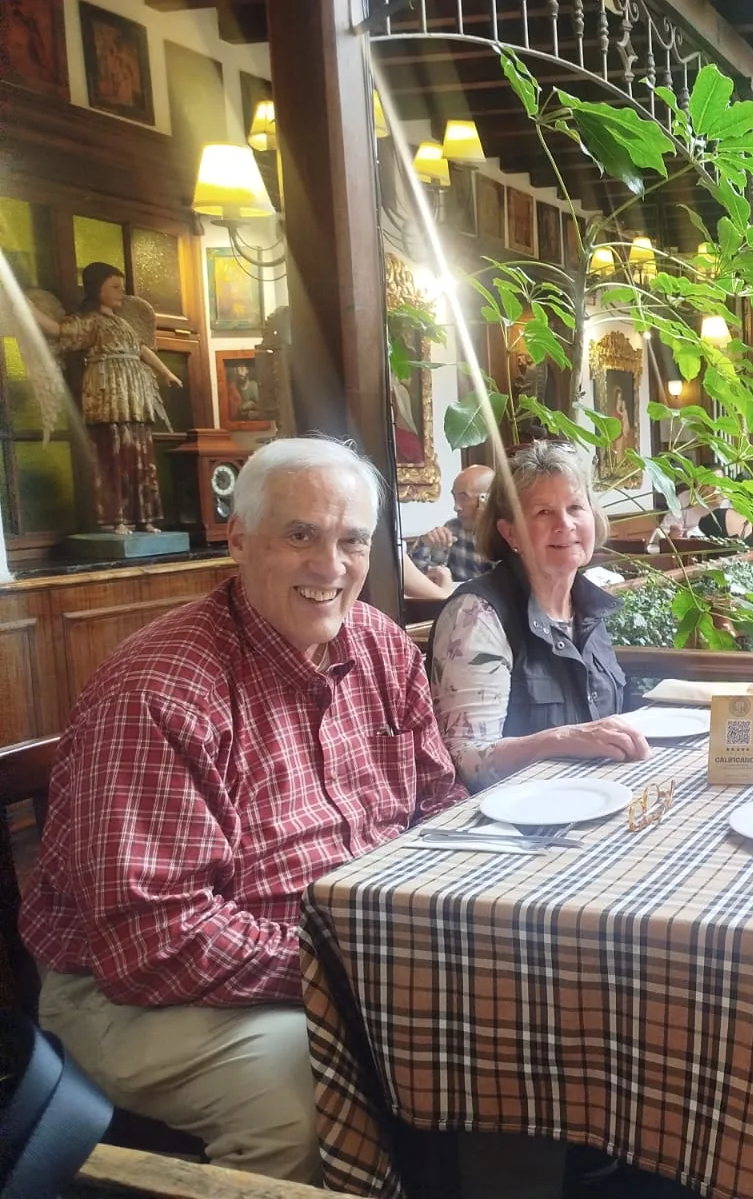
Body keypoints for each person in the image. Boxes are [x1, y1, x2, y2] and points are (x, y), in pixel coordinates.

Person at [19, 437, 467, 1184]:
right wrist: (355, 972)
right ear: (239, 539)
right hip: (137, 996)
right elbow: (153, 939)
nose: (331, 567)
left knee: (494, 1032)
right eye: (301, 536)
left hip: (336, 954)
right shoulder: (160, 690)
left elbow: (438, 806)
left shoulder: (381, 646)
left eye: (351, 539)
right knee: (306, 1104)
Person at [429, 441, 648, 791]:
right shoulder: (475, 616)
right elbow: (464, 761)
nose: (565, 524)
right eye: (543, 512)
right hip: (515, 824)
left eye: (576, 507)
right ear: (509, 531)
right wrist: (557, 740)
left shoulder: (587, 607)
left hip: (594, 798)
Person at [28, 262, 181, 534]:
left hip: (134, 393)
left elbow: (142, 349)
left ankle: (143, 517)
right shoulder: (89, 320)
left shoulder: (123, 323)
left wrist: (166, 372)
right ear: (96, 288)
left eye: (122, 287)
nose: (121, 292)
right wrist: (24, 307)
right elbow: (57, 330)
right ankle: (115, 518)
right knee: (113, 453)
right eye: (114, 287)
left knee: (139, 453)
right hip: (107, 391)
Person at [410, 464, 495, 585]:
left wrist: (485, 532)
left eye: (464, 498)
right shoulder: (453, 528)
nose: (456, 507)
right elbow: (422, 579)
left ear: (487, 499)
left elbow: (506, 585)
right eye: (455, 498)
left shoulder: (508, 534)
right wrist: (425, 543)